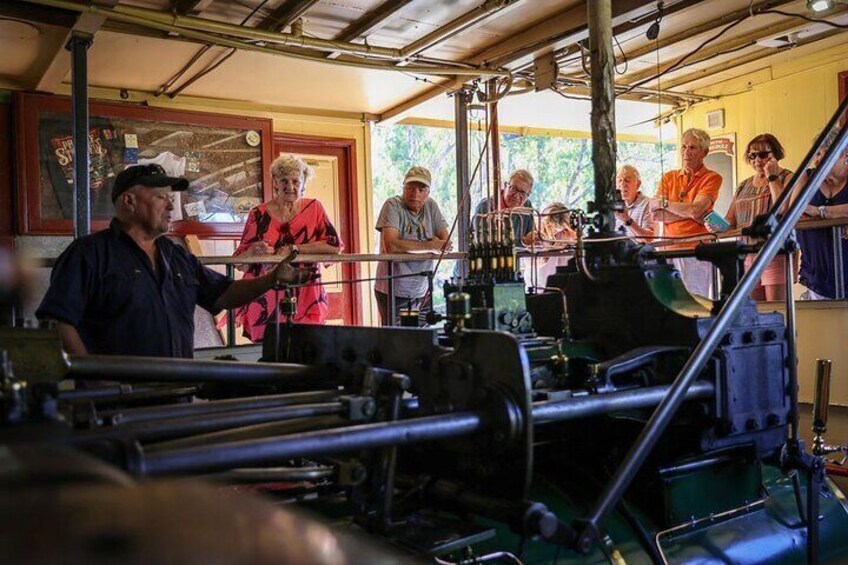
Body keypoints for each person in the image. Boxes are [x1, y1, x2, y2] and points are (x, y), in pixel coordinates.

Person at [35, 163, 312, 358]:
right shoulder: (89, 254)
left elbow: (223, 293)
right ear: (129, 201)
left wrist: (271, 280)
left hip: (177, 392)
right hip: (116, 402)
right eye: (161, 198)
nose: (171, 206)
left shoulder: (175, 255)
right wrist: (92, 379)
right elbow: (55, 320)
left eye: (172, 198)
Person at [232, 154, 343, 341]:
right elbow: (238, 262)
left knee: (306, 349)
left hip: (306, 292)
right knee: (269, 353)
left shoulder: (314, 208)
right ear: (275, 183)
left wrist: (296, 248)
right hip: (266, 295)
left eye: (295, 181)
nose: (290, 187)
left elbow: (334, 246)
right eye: (284, 180)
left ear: (303, 183)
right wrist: (253, 252)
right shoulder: (258, 214)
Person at [648, 128, 723, 298]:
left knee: (694, 302)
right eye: (683, 147)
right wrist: (690, 213)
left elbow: (696, 209)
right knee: (669, 302)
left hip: (696, 252)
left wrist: (665, 204)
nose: (686, 152)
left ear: (704, 152)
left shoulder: (712, 177)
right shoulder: (669, 177)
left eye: (692, 148)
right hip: (668, 250)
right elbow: (656, 215)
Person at [374, 166, 450, 326]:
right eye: (410, 187)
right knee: (398, 340)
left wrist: (409, 245)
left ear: (428, 192)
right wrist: (430, 245)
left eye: (421, 189)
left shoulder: (431, 206)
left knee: (422, 338)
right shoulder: (392, 205)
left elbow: (445, 243)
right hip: (394, 289)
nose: (415, 193)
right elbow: (392, 246)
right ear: (403, 187)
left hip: (422, 288)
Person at [724, 134, 793, 301]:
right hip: (747, 254)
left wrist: (772, 176)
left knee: (777, 309)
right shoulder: (744, 185)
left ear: (775, 154)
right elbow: (730, 220)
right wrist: (714, 224)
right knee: (755, 311)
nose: (757, 160)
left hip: (774, 252)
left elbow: (782, 208)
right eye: (752, 156)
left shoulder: (786, 177)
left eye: (763, 155)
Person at [795, 129, 848, 300]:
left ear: (844, 155)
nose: (817, 160)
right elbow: (794, 211)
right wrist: (840, 216)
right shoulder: (807, 177)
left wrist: (819, 212)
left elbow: (808, 210)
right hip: (817, 274)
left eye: (822, 154)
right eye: (816, 154)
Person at [473, 169, 537, 246]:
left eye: (522, 193)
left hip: (514, 257)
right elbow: (485, 244)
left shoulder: (527, 206)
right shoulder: (485, 207)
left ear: (528, 195)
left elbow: (531, 233)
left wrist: (535, 237)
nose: (516, 196)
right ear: (505, 185)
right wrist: (522, 241)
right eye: (513, 188)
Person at [531, 202, 576, 287]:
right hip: (539, 286)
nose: (555, 232)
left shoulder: (570, 239)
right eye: (550, 227)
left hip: (562, 286)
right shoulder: (536, 238)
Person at [613, 164, 656, 240]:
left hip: (639, 251)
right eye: (620, 180)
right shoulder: (613, 207)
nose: (622, 184)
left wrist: (627, 220)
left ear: (638, 184)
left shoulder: (648, 204)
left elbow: (649, 239)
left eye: (627, 180)